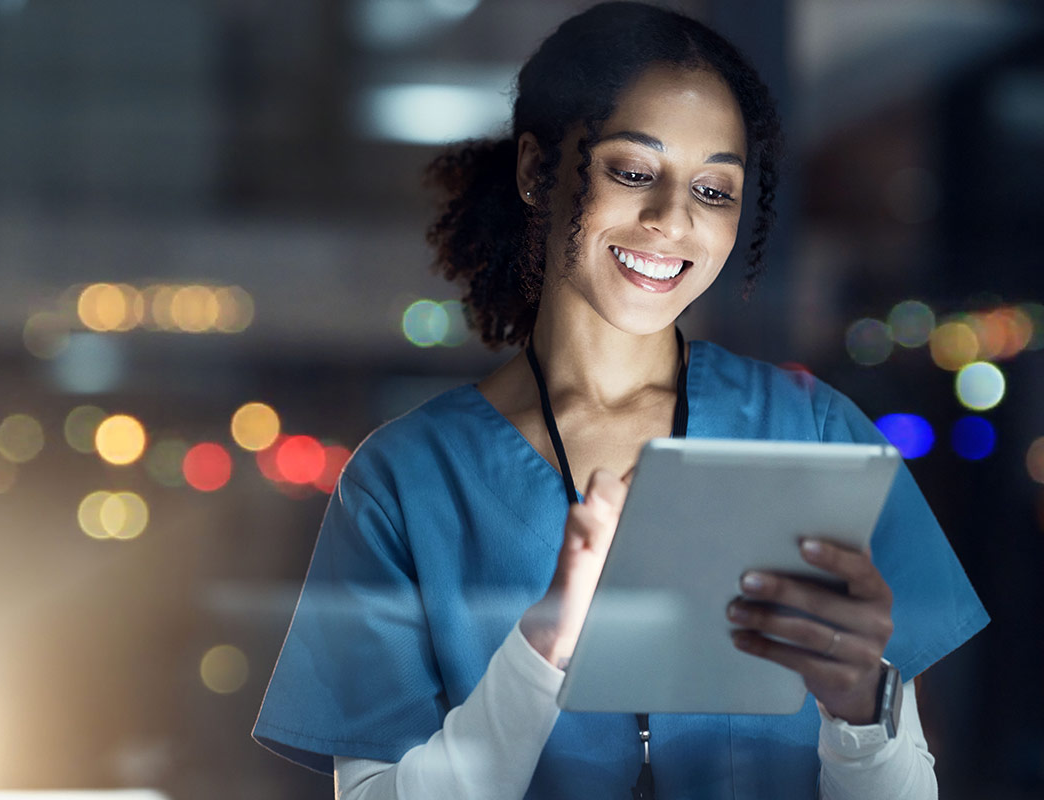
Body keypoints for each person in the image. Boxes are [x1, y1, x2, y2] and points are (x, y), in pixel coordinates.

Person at [252, 3, 988, 798]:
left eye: (714, 189)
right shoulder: (403, 482)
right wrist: (542, 646)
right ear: (538, 171)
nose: (672, 220)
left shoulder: (815, 433)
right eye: (634, 173)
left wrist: (859, 713)